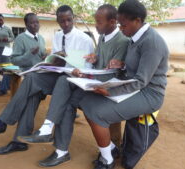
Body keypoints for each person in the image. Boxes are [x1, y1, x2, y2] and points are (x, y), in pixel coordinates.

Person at [17, 4, 130, 167]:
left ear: (113, 22)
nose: (96, 26)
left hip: (105, 88)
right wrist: (90, 63)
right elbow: (100, 64)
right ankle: (49, 132)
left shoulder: (122, 41)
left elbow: (112, 73)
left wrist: (88, 73)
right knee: (65, 80)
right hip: (93, 81)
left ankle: (58, 144)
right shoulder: (103, 37)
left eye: (98, 23)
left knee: (66, 96)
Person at [0, 5, 94, 155]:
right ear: (57, 21)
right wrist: (53, 61)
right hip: (57, 75)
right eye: (62, 21)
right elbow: (58, 61)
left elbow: (88, 68)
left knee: (36, 86)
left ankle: (1, 124)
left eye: (69, 20)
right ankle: (17, 140)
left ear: (74, 18)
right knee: (31, 80)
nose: (66, 24)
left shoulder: (84, 39)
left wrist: (74, 66)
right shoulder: (57, 36)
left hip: (72, 80)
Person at [77, 0, 169, 168]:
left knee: (98, 113)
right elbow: (137, 68)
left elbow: (142, 80)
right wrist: (122, 64)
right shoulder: (135, 37)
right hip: (134, 87)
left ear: (138, 21)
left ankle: (107, 159)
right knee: (87, 103)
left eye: (123, 25)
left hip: (149, 93)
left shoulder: (151, 42)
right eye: (119, 25)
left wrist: (111, 92)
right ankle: (111, 148)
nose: (121, 29)